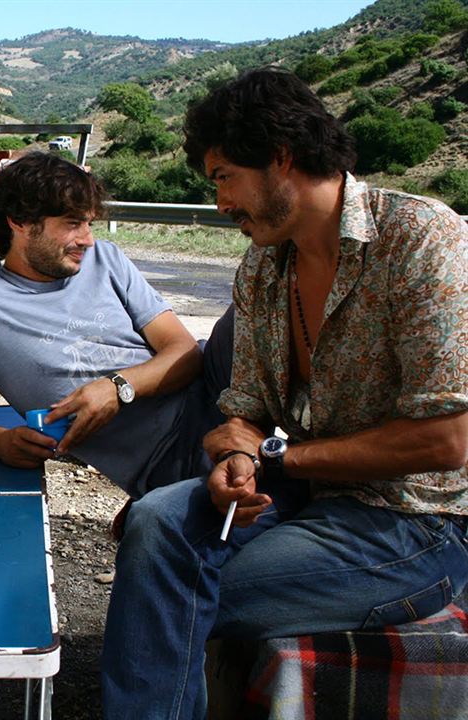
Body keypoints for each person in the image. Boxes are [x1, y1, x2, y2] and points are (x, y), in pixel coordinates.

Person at [100, 68, 468, 719]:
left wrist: (274, 455)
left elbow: (446, 441)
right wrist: (235, 461)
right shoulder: (264, 266)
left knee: (171, 583)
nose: (219, 204)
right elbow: (246, 411)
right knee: (156, 520)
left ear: (280, 158)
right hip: (296, 492)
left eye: (222, 178)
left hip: (414, 522)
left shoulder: (421, 242)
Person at [0, 151, 234, 499]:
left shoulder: (106, 258)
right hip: (164, 461)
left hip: (212, 395)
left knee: (250, 303)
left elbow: (185, 352)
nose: (87, 239)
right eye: (72, 223)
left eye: (89, 224)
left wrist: (117, 388)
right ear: (19, 222)